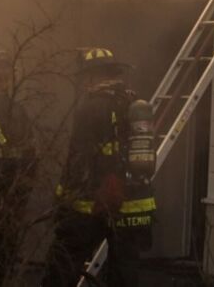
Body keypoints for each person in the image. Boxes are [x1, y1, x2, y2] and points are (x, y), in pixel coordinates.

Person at [43, 47, 156, 287]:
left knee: (64, 259)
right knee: (124, 271)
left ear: (93, 76)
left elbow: (79, 157)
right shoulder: (132, 101)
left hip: (95, 202)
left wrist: (63, 197)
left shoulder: (90, 106)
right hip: (135, 203)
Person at [0, 51, 37, 285]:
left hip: (11, 199)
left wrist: (21, 192)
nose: (2, 84)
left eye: (6, 78)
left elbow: (31, 154)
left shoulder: (17, 111)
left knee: (1, 259)